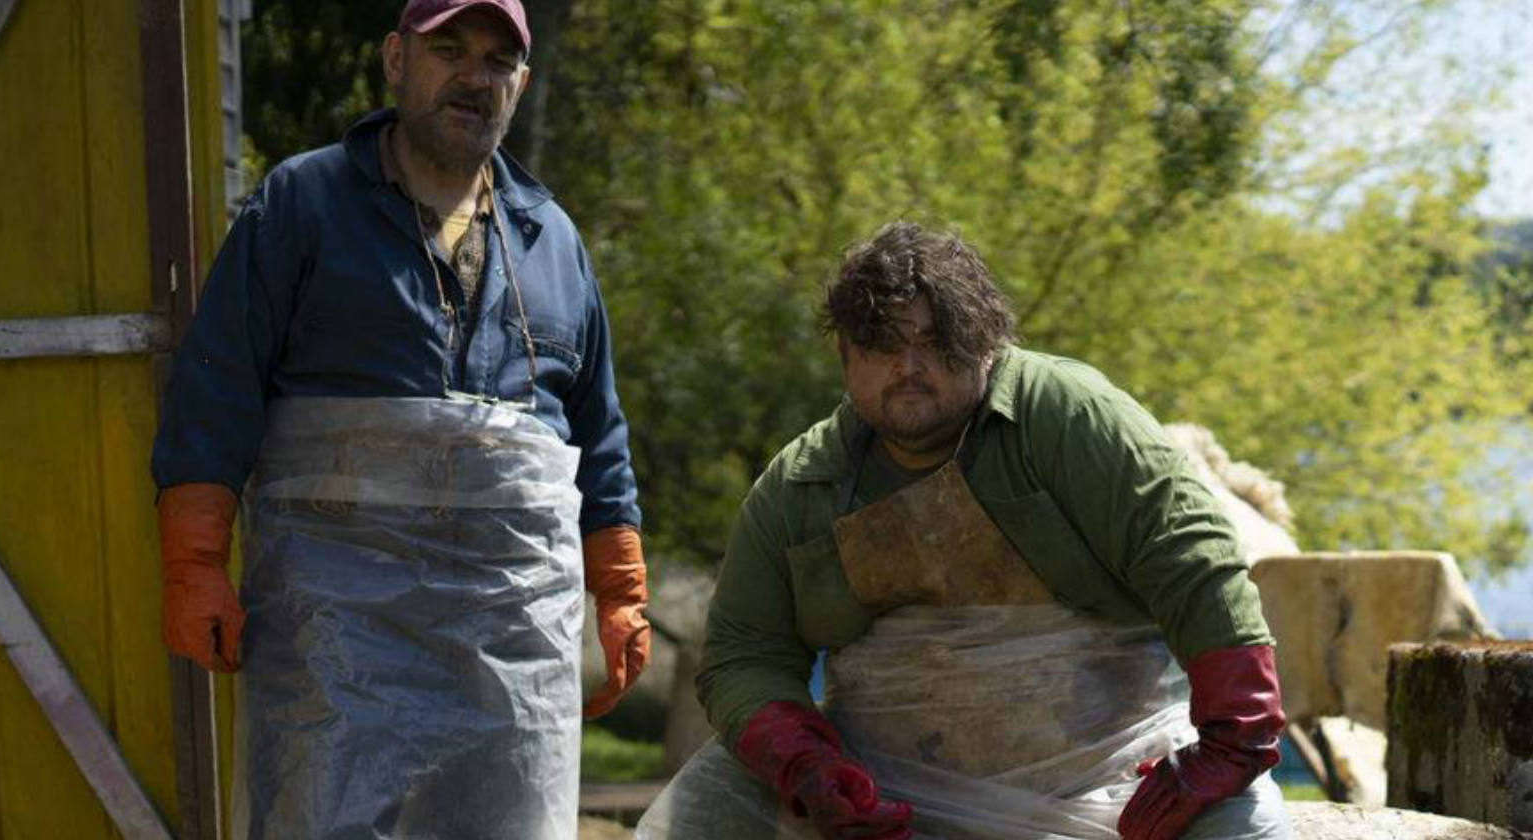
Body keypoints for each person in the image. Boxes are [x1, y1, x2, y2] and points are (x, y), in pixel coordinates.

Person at [150, 1, 650, 836]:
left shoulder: (552, 238)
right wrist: (193, 561)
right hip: (335, 649)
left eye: (497, 61)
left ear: (519, 85)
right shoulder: (302, 204)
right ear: (395, 60)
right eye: (448, 48)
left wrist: (622, 591)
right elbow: (217, 387)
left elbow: (596, 437)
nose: (473, 76)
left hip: (512, 660)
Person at [637, 221, 1289, 840]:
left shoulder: (1068, 414)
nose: (909, 366)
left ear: (984, 341)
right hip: (883, 799)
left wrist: (1236, 735)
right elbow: (744, 653)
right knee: (707, 804)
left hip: (1112, 782)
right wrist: (807, 766)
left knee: (1244, 822)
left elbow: (1190, 556)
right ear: (845, 357)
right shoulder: (801, 484)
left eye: (935, 340)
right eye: (883, 345)